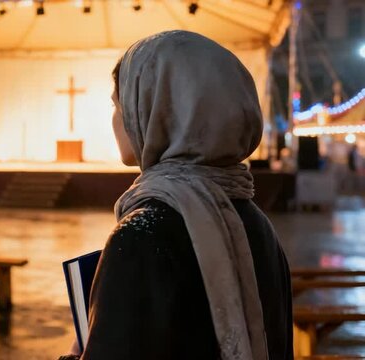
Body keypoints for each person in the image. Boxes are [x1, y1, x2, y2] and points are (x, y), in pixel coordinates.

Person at [59, 31, 292, 360]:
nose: (115, 119)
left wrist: (77, 350)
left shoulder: (141, 235)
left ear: (155, 108)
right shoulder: (256, 221)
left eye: (119, 104)